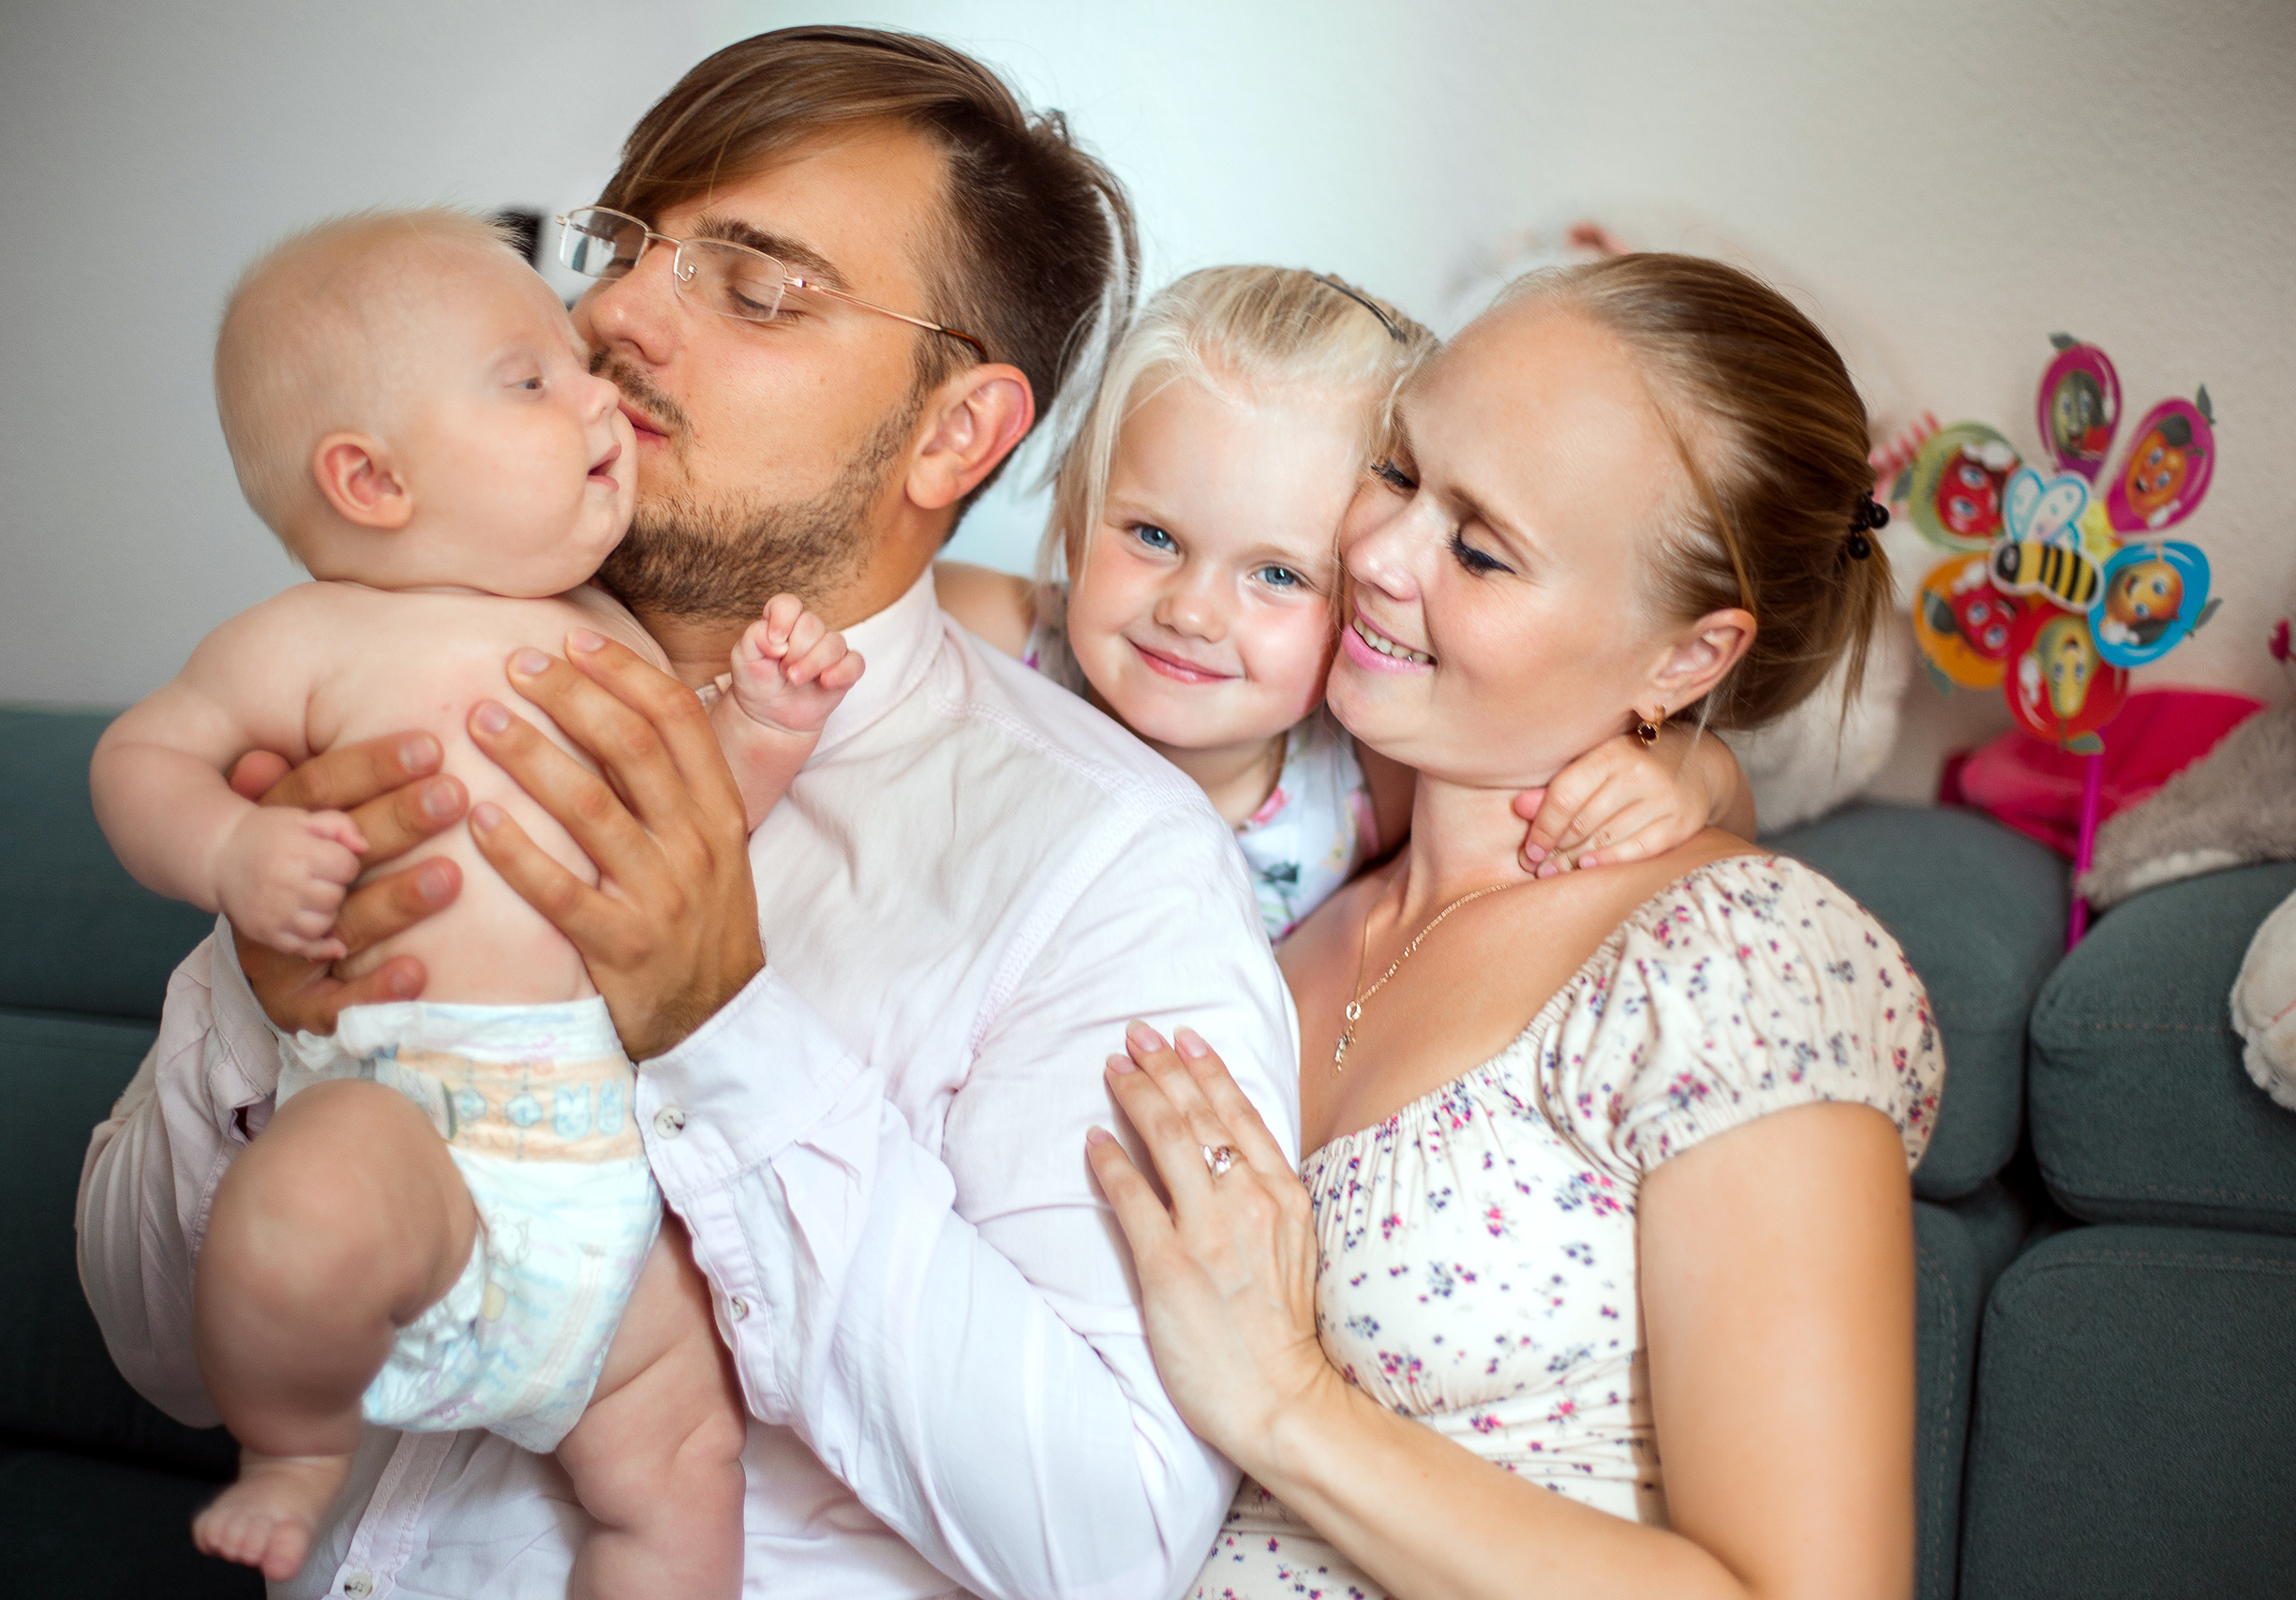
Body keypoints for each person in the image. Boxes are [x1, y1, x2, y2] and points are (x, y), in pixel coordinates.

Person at [77, 28, 1300, 1600]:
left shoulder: (1104, 867)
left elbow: (1106, 1542)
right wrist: (256, 999)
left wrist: (720, 1024)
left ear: (955, 433)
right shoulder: (396, 701)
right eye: (627, 245)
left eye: (758, 283)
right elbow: (158, 1356)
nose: (611, 317)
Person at [1085, 254, 1945, 1600]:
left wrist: (1289, 1407)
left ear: (1687, 659)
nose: (1371, 551)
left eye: (1479, 548)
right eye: (1397, 466)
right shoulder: (1271, 915)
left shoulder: (1730, 960)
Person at [89, 209, 865, 1592]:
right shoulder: (311, 641)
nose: (597, 393)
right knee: (302, 1203)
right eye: (532, 380)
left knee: (684, 1465)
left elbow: (689, 830)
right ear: (370, 480)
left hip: (592, 1183)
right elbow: (138, 758)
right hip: (404, 1116)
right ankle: (293, 1451)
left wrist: (766, 728)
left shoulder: (609, 632)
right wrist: (229, 856)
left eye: (576, 363)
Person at [935, 265, 1754, 941]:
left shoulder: (1364, 780)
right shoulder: (989, 639)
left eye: (1280, 576)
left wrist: (1695, 767)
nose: (1190, 612)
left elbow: (1673, 784)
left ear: (1363, 607)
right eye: (1153, 537)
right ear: (1076, 525)